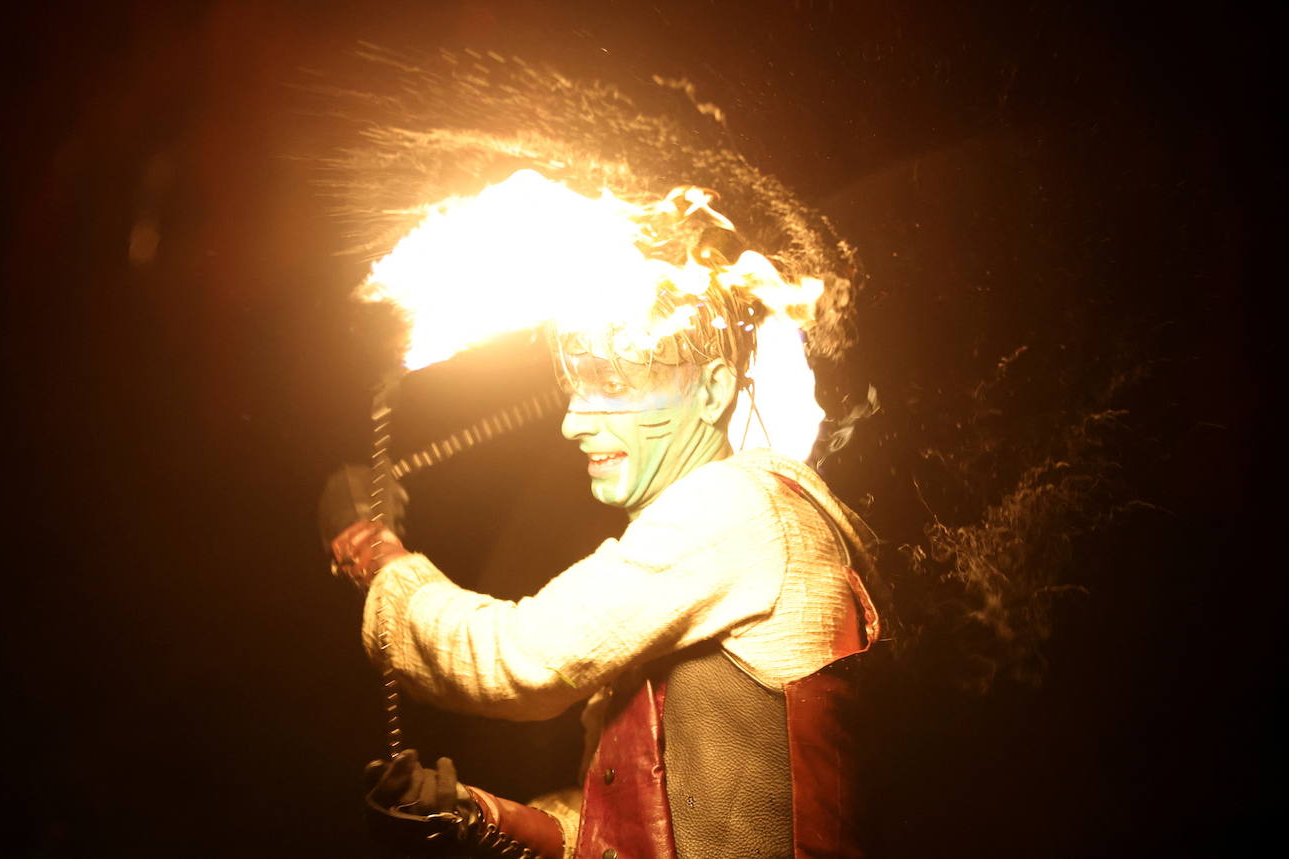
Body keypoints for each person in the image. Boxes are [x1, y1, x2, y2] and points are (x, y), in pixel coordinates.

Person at [332, 243, 882, 859]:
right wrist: (470, 812)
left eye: (614, 388)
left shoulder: (740, 507)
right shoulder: (703, 551)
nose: (572, 424)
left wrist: (381, 563)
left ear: (712, 392)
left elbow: (521, 658)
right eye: (577, 391)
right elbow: (613, 834)